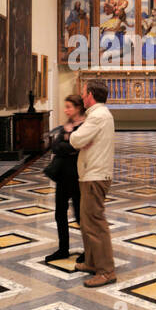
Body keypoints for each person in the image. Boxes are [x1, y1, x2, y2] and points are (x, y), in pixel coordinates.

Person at [69, 80, 116, 287]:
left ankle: (106, 271)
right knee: (87, 223)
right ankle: (91, 262)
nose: (81, 96)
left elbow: (76, 139)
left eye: (84, 92)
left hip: (95, 176)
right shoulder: (98, 115)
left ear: (91, 95)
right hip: (92, 174)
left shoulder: (97, 116)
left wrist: (74, 134)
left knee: (95, 223)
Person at [43, 94, 86, 263]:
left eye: (69, 107)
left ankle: (88, 250)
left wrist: (66, 143)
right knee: (60, 213)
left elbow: (78, 146)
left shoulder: (84, 126)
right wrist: (67, 144)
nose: (66, 110)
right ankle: (63, 248)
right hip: (62, 176)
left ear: (78, 108)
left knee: (80, 216)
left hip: (76, 176)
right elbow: (55, 146)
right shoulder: (67, 125)